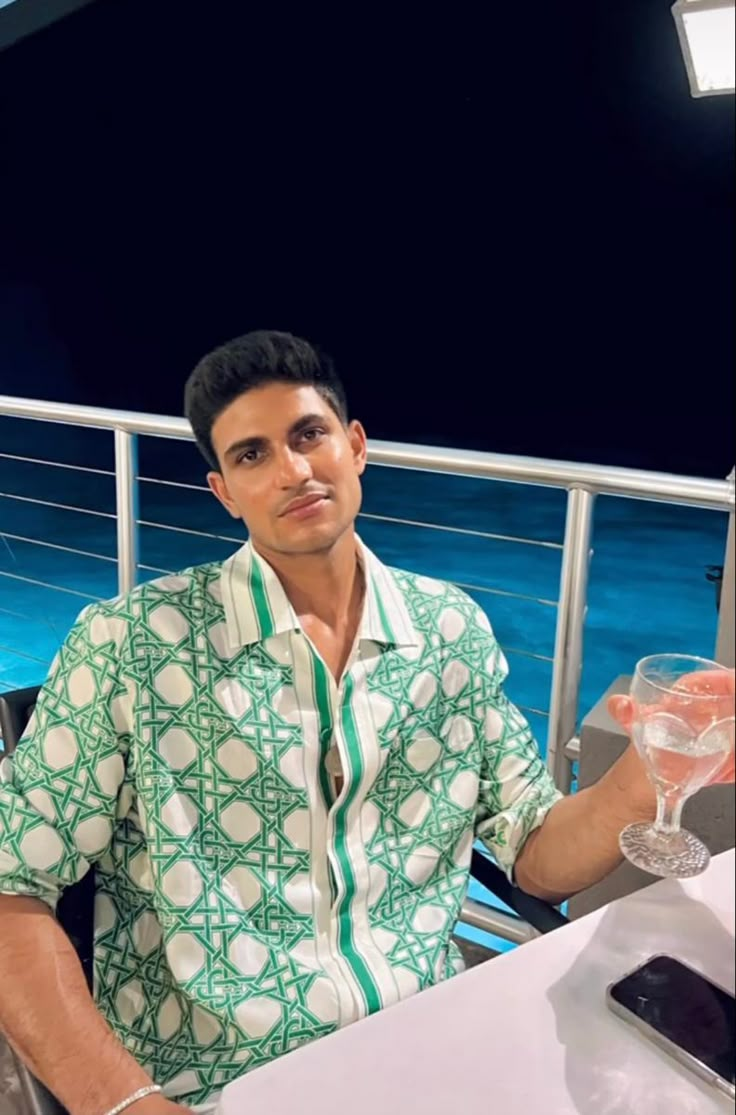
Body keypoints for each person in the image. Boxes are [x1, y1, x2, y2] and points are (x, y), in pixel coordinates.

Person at [0, 330, 733, 1115]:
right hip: (214, 1079)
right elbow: (13, 889)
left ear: (354, 446)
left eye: (308, 435)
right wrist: (125, 1102)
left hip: (429, 1042)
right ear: (223, 490)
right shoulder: (130, 647)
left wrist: (636, 778)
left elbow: (536, 859)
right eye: (252, 455)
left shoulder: (450, 631)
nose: (293, 470)